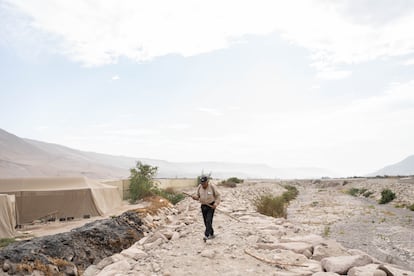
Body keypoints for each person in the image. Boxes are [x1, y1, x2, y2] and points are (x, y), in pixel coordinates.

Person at [191, 175, 221, 241]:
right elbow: (198, 196)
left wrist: (216, 204)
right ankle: (212, 233)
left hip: (211, 206)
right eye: (202, 183)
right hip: (203, 206)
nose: (203, 185)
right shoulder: (199, 187)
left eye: (204, 183)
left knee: (208, 220)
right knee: (206, 221)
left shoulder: (212, 187)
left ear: (207, 181)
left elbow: (218, 196)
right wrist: (195, 197)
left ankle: (206, 235)